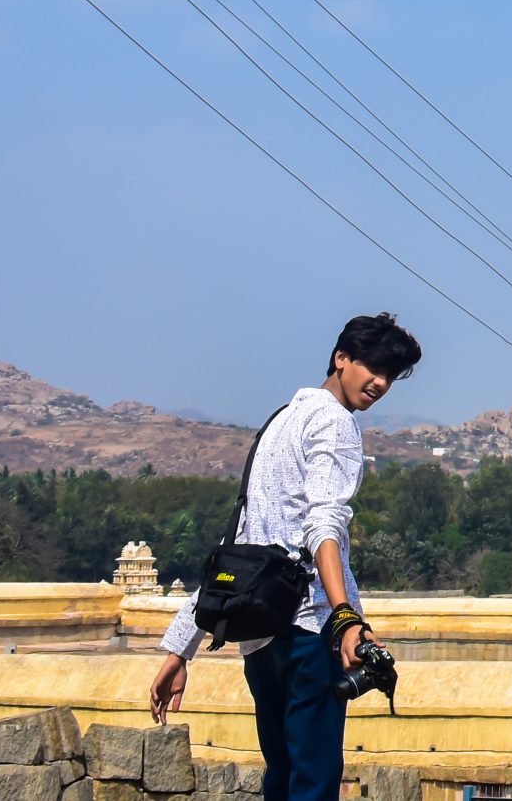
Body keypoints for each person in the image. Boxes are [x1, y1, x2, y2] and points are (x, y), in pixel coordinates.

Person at [148, 313, 422, 801]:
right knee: (313, 781)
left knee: (282, 778)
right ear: (342, 358)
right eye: (374, 367)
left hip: (259, 635)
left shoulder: (280, 420)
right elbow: (324, 524)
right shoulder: (335, 423)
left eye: (391, 376)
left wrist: (180, 649)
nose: (381, 382)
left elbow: (241, 545)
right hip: (309, 632)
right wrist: (343, 617)